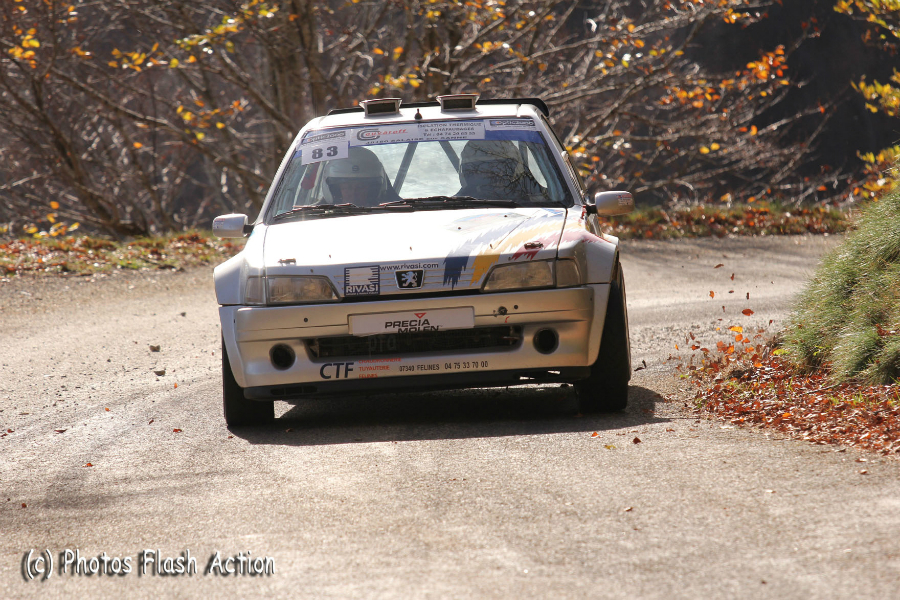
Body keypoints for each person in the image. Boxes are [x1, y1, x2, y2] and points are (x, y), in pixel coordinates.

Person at [456, 140, 546, 201]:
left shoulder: (540, 199)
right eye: (481, 170)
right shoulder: (451, 204)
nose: (490, 174)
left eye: (497, 167)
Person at [321, 146, 400, 206]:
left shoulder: (397, 215)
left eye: (361, 187)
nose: (354, 193)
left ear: (372, 191)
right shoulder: (313, 218)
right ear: (336, 191)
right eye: (348, 187)